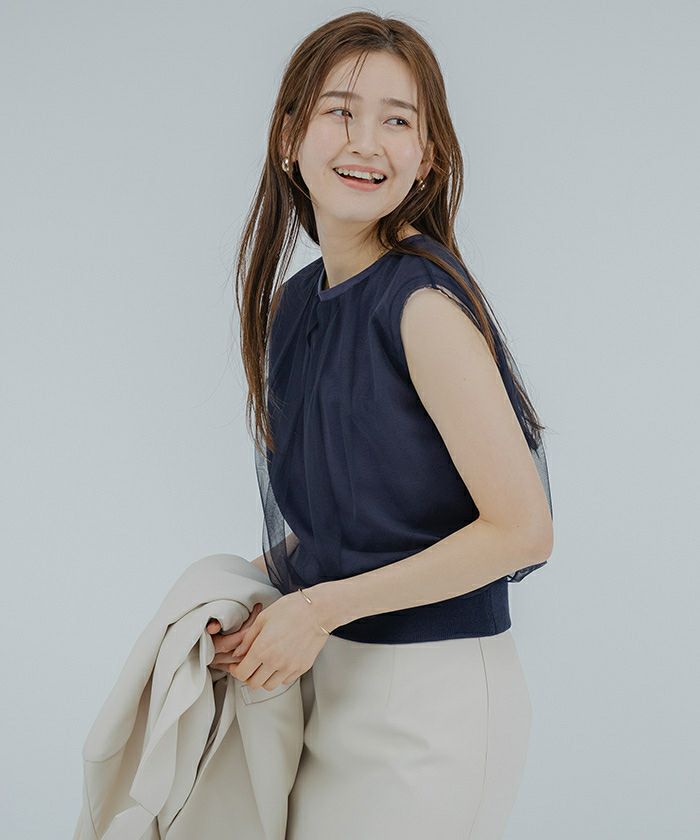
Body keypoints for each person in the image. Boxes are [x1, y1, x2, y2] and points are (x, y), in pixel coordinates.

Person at [207, 11, 554, 839]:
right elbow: (350, 529)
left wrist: (315, 610)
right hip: (328, 684)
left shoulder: (422, 307)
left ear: (426, 158)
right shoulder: (294, 306)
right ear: (289, 136)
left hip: (430, 706)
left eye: (398, 121)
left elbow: (524, 531)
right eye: (340, 111)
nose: (366, 142)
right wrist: (240, 596)